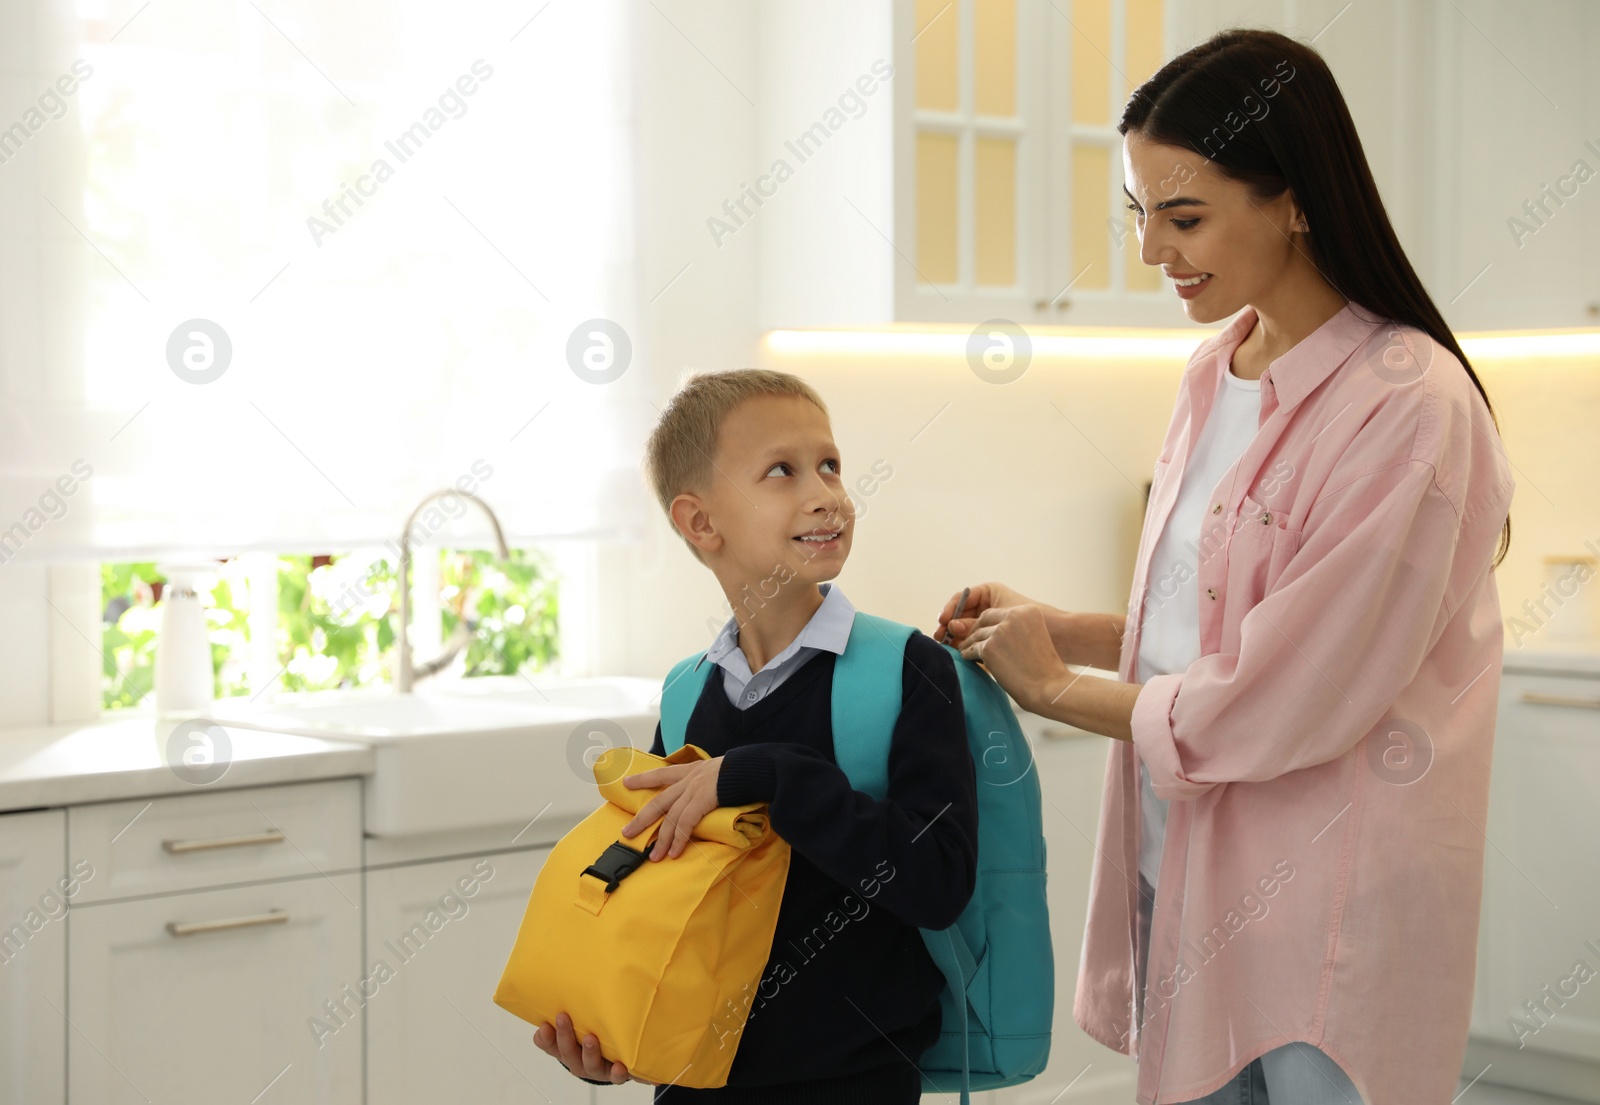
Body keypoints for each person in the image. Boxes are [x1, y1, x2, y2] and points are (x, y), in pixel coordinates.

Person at [934, 28, 1515, 1105]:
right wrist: (1068, 629)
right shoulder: (1214, 372)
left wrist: (1057, 690)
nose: (1152, 249)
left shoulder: (1408, 404)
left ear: (1293, 199)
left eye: (1184, 215)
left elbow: (1291, 685)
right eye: (1138, 213)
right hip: (1187, 865)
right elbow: (1224, 626)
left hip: (1322, 901)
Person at [532, 368, 979, 1103]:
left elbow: (937, 882)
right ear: (701, 522)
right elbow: (653, 896)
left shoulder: (906, 669)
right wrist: (603, 1029)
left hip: (853, 1085)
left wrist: (772, 775)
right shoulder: (685, 696)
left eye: (830, 464)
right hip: (690, 1083)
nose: (826, 492)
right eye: (783, 470)